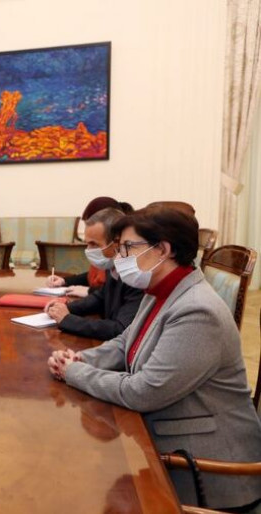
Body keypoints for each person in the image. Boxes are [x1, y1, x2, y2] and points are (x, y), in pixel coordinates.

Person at [48, 207, 261, 511]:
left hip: (210, 472)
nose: (119, 257)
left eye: (127, 248)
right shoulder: (161, 289)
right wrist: (82, 358)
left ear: (162, 250)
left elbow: (143, 391)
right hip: (167, 444)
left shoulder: (197, 310)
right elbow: (125, 342)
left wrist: (74, 372)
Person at [43, 208, 143, 340]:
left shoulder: (136, 276)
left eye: (93, 244)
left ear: (116, 243)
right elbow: (100, 298)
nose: (88, 250)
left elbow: (121, 329)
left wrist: (67, 320)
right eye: (87, 243)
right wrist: (65, 308)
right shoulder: (112, 267)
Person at [46, 196, 134, 297]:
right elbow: (91, 276)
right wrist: (64, 281)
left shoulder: (127, 269)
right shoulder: (108, 262)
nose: (88, 249)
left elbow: (110, 293)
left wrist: (89, 291)